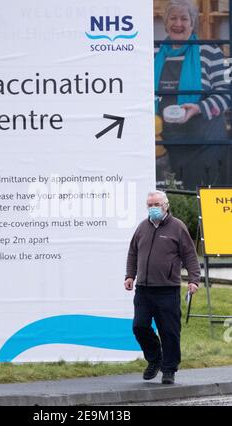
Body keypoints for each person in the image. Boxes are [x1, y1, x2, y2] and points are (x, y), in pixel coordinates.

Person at [124, 190, 200, 384]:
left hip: (168, 289)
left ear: (166, 205)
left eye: (156, 205)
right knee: (139, 326)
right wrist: (130, 275)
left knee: (169, 331)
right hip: (144, 289)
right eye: (149, 205)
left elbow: (190, 255)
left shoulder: (177, 227)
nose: (153, 208)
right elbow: (133, 252)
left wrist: (193, 280)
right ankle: (155, 358)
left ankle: (169, 369)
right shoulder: (142, 228)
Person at [155, 0, 231, 189]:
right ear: (165, 23)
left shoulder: (209, 51)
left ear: (192, 23)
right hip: (164, 145)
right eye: (173, 18)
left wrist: (198, 108)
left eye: (184, 18)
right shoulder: (153, 52)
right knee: (170, 198)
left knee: (200, 197)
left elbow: (227, 93)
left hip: (204, 144)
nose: (178, 24)